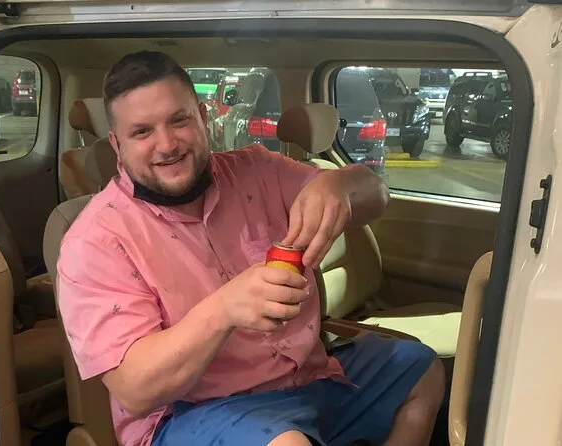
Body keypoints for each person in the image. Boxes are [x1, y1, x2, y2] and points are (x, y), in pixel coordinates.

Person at [56, 51, 445, 446]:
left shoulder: (256, 170)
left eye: (179, 120)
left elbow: (376, 195)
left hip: (308, 378)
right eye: (142, 132)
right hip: (192, 411)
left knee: (421, 370)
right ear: (117, 145)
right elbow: (135, 390)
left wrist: (340, 184)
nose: (167, 144)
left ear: (203, 119)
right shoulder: (96, 241)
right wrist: (223, 310)